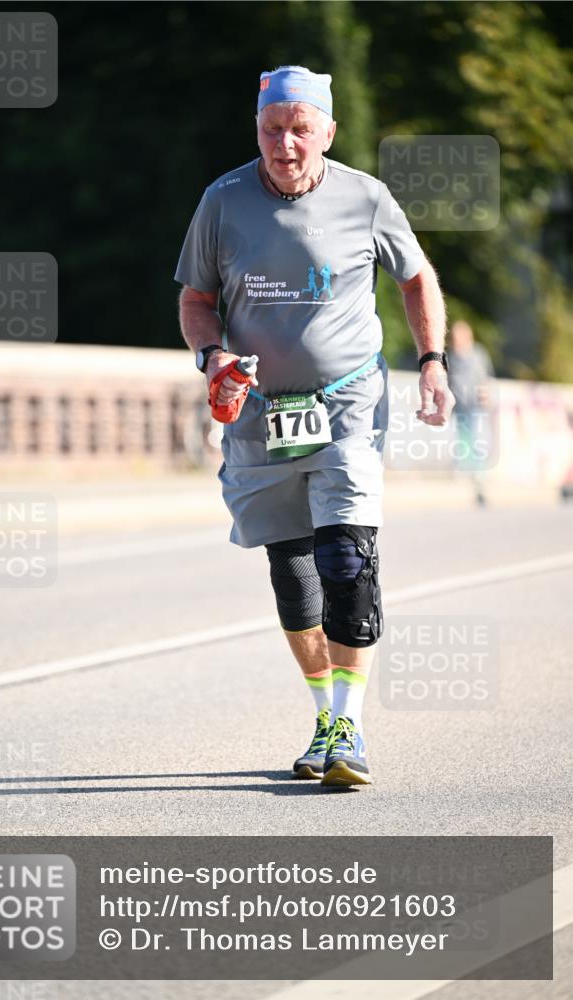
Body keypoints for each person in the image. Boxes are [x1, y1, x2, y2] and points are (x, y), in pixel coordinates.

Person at [176, 66, 454, 787]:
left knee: (346, 560)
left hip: (347, 404)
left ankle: (349, 728)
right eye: (273, 129)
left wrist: (431, 361)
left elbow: (416, 278)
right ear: (257, 129)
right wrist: (212, 356)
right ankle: (326, 716)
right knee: (294, 574)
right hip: (262, 414)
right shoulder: (223, 200)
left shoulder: (366, 197)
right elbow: (196, 299)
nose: (286, 144)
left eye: (301, 129)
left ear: (327, 132)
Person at [447, 320, 495, 506]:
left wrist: (486, 396)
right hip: (459, 404)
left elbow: (485, 377)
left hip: (475, 404)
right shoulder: (450, 356)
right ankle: (465, 469)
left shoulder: (477, 354)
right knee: (462, 436)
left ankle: (479, 472)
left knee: (477, 437)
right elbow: (448, 380)